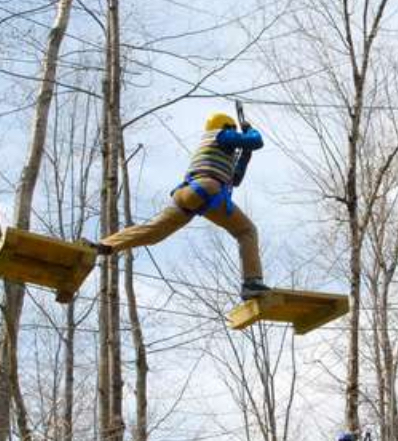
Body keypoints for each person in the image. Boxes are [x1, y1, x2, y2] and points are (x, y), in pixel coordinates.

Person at [90, 112, 269, 301]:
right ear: (228, 127)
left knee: (154, 232)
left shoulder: (216, 148)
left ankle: (103, 246)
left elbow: (236, 179)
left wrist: (246, 154)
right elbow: (256, 140)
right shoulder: (221, 134)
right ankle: (251, 283)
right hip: (207, 189)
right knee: (246, 231)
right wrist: (249, 131)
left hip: (186, 194)